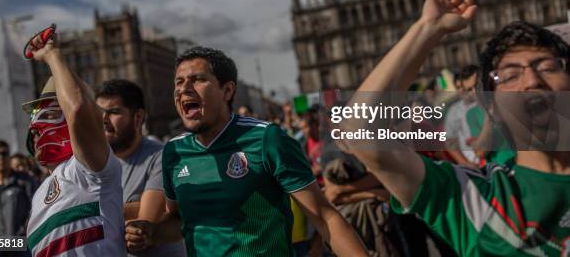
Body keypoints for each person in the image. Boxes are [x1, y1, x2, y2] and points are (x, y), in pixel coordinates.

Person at [339, 0, 570, 256]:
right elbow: (359, 133)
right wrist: (427, 29)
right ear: (491, 108)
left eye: (547, 67)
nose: (532, 80)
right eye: (510, 75)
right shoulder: (474, 195)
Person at [126, 46, 368, 256]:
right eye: (179, 82)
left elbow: (325, 217)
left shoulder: (267, 139)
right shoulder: (173, 152)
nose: (184, 89)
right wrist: (153, 232)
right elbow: (181, 219)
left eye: (197, 79)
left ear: (227, 91)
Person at [22, 29, 125, 256]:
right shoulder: (38, 196)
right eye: (34, 130)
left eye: (50, 116)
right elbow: (21, 245)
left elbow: (78, 108)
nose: (37, 131)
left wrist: (51, 54)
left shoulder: (89, 169)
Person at [96, 79, 186, 257]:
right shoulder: (94, 164)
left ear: (138, 117)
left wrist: (95, 212)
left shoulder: (161, 157)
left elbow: (142, 228)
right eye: (99, 112)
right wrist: (127, 209)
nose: (104, 119)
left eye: (113, 112)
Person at [0, 140, 35, 236]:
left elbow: (36, 208)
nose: (1, 158)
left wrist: (24, 230)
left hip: (22, 244)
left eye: (4, 154)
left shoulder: (25, 181)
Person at [444, 65, 481, 167]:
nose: (462, 90)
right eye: (458, 87)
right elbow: (450, 142)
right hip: (473, 163)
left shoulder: (487, 103)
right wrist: (466, 164)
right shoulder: (454, 111)